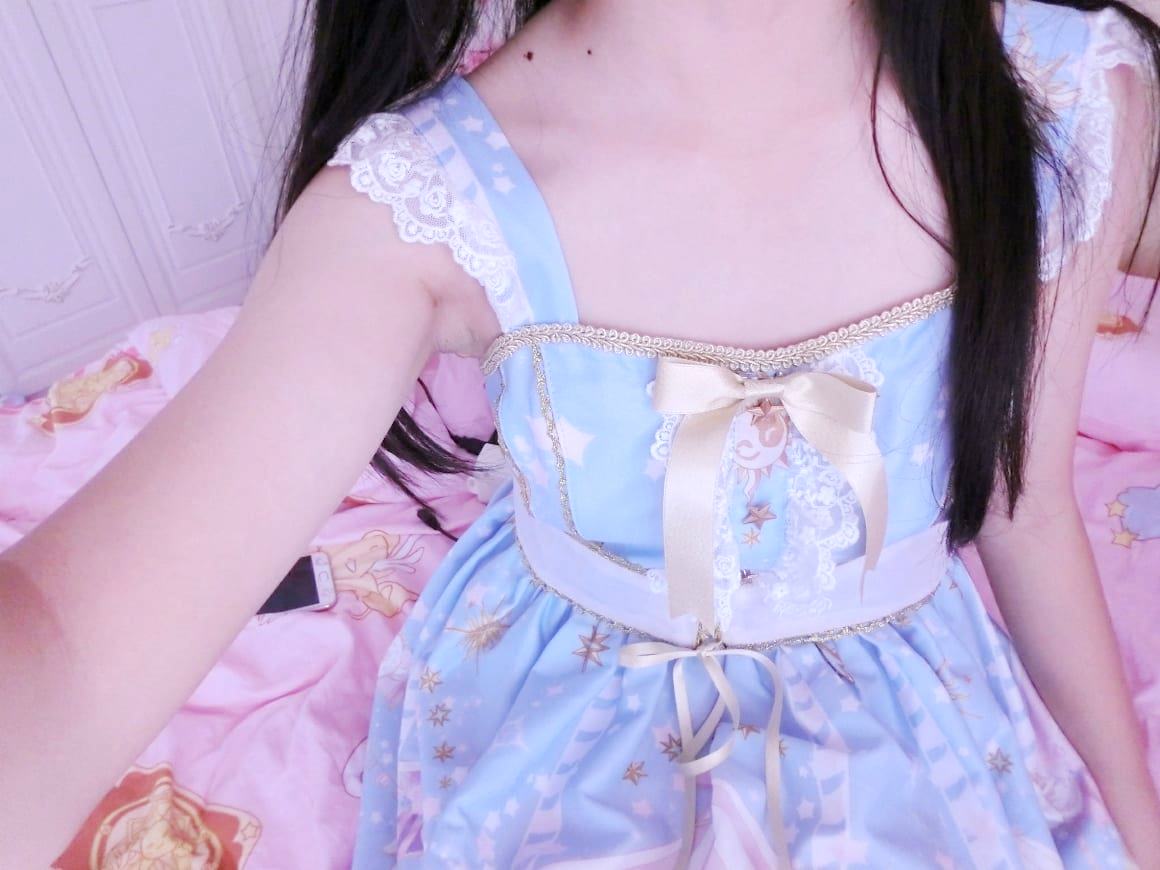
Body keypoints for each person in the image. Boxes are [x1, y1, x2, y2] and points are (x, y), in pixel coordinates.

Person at [3, 0, 1160, 866]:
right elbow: (63, 644)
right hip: (571, 709)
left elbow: (1020, 501)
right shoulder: (419, 200)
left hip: (921, 703)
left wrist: (1130, 823)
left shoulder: (1063, 97)